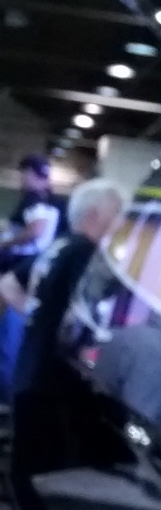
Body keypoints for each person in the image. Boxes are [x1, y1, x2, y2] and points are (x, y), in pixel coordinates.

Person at [5, 180, 129, 486]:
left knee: (26, 473)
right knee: (51, 483)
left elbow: (7, 284)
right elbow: (90, 320)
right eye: (117, 214)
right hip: (56, 383)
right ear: (94, 215)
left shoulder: (58, 246)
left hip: (29, 373)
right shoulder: (86, 253)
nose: (121, 223)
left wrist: (38, 314)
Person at [0, 157, 64, 397]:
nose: (22, 179)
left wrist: (6, 244)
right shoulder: (54, 202)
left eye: (25, 173)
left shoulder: (33, 199)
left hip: (20, 271)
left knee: (10, 330)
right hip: (35, 273)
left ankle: (7, 391)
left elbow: (36, 230)